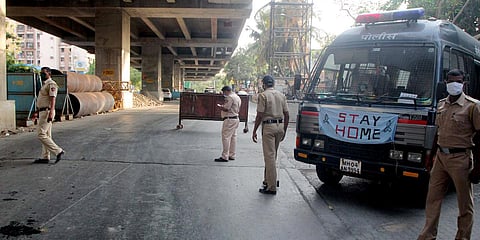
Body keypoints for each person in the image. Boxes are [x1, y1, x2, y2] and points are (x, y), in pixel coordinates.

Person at [418, 69, 480, 240]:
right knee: (433, 198)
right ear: (445, 83)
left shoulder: (472, 106)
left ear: (463, 83)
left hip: (460, 159)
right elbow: (438, 132)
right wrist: (430, 155)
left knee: (464, 204)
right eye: (452, 81)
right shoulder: (441, 104)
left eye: (459, 81)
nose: (455, 84)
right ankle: (428, 235)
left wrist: (477, 168)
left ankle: (463, 237)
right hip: (441, 157)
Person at [252, 75, 289, 195]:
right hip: (280, 127)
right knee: (273, 155)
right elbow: (287, 114)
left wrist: (254, 130)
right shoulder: (281, 95)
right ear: (273, 83)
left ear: (264, 84)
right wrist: (284, 129)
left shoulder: (263, 95)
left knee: (269, 157)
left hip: (269, 127)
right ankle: (267, 180)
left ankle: (271, 186)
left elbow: (259, 115)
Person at [32, 67, 65, 164]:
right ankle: (45, 156)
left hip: (47, 111)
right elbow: (43, 100)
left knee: (41, 134)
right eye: (41, 73)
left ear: (49, 73)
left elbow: (52, 98)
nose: (42, 74)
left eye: (44, 73)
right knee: (47, 135)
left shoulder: (51, 84)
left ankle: (58, 151)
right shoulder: (45, 84)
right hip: (43, 111)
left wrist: (51, 112)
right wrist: (37, 111)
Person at [214, 86, 241, 162]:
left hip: (229, 119)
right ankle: (232, 155)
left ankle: (225, 156)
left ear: (226, 91)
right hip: (236, 118)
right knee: (233, 137)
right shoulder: (237, 97)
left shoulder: (230, 97)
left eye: (224, 92)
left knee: (226, 137)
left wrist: (220, 106)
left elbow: (226, 108)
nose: (224, 94)